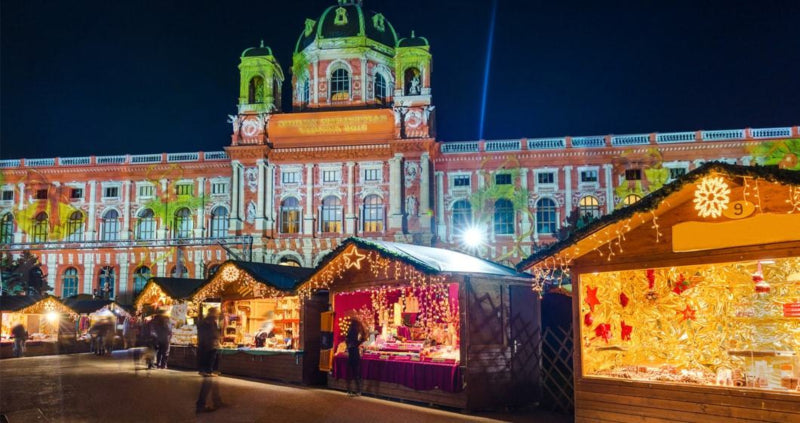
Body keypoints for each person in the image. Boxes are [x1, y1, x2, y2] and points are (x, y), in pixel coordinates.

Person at [196, 307, 226, 413]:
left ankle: (216, 400)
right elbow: (212, 336)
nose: (218, 315)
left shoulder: (205, 322)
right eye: (217, 313)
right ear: (214, 313)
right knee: (208, 379)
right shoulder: (209, 323)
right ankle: (201, 405)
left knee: (213, 378)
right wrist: (216, 342)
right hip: (209, 352)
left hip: (206, 352)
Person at [345, 316, 366, 396]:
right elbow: (362, 338)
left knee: (350, 372)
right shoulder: (358, 329)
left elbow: (347, 339)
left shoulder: (351, 329)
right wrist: (359, 343)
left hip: (351, 351)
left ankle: (349, 390)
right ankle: (358, 391)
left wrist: (349, 345)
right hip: (355, 351)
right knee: (356, 372)